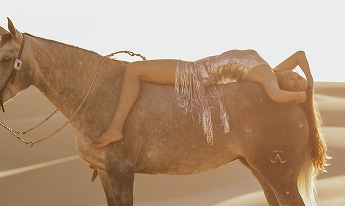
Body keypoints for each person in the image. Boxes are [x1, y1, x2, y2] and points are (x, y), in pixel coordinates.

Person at [92, 49, 314, 148]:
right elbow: (299, 55)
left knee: (134, 70)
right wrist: (310, 82)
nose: (294, 77)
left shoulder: (269, 79)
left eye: (294, 83)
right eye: (298, 76)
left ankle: (115, 128)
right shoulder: (271, 70)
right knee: (135, 70)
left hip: (194, 74)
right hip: (195, 68)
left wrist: (299, 95)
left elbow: (276, 95)